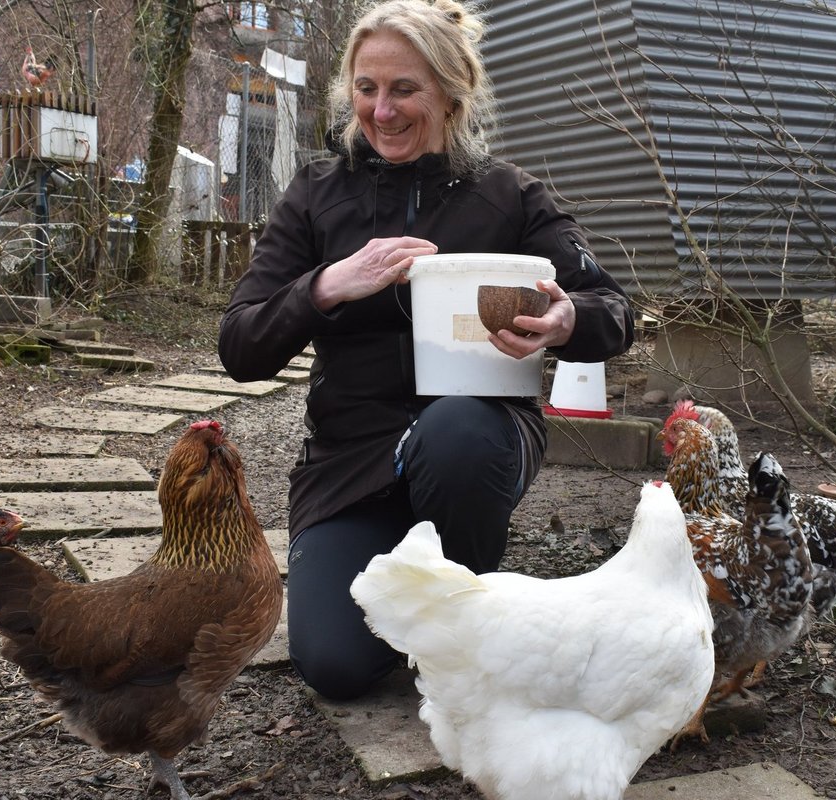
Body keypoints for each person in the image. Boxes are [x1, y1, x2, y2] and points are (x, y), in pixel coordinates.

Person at [216, 0, 636, 701]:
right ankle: (402, 565)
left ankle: (461, 604)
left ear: (450, 91)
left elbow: (617, 310)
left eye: (405, 89)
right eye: (367, 88)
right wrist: (326, 284)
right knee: (336, 667)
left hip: (478, 439)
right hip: (351, 460)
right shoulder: (317, 196)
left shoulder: (509, 196)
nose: (382, 111)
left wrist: (566, 319)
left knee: (457, 428)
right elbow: (240, 345)